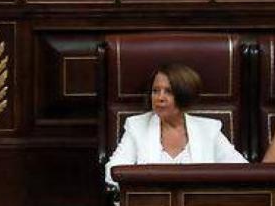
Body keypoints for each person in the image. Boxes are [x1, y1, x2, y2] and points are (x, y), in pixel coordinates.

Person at [105, 63, 246, 187]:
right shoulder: (137, 126)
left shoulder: (209, 130)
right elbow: (113, 171)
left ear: (184, 95)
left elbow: (241, 171)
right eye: (155, 91)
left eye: (169, 91)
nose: (160, 98)